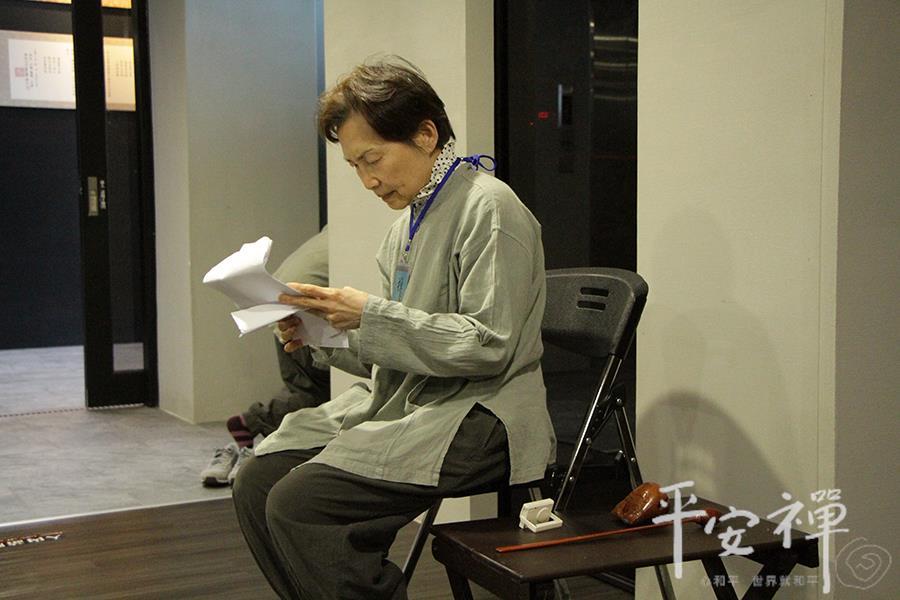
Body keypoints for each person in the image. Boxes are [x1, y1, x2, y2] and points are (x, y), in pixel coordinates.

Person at [232, 57, 555, 600]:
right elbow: (397, 350)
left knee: (300, 503)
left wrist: (370, 314)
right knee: (256, 481)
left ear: (426, 135)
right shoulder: (404, 229)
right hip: (414, 400)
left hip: (484, 414)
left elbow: (489, 345)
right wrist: (319, 335)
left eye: (373, 159)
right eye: (355, 166)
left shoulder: (490, 209)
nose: (368, 180)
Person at [201, 227, 331, 487]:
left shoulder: (329, 233)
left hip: (282, 316)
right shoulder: (355, 235)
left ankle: (251, 432)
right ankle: (254, 423)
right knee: (321, 397)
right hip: (302, 318)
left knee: (304, 391)